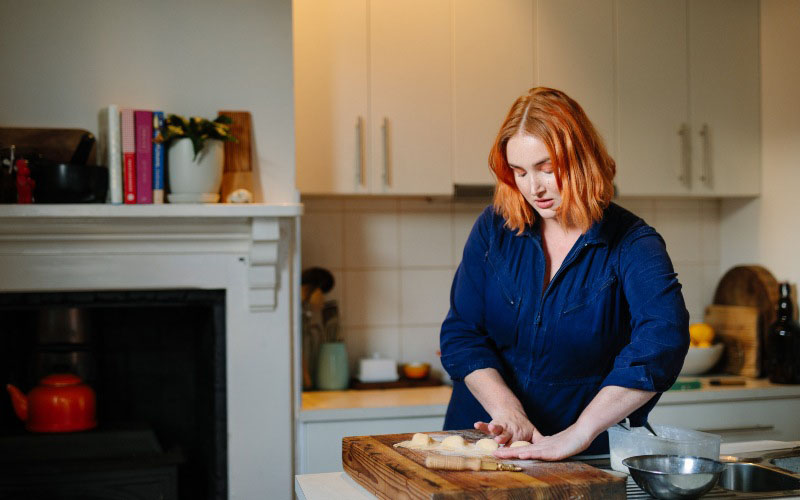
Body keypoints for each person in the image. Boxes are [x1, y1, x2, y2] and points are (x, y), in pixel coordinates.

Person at [439, 87, 689, 461]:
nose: (533, 187)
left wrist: (580, 433)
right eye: (520, 172)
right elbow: (462, 333)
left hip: (581, 454)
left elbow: (661, 345)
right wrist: (508, 410)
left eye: (547, 168)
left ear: (582, 159)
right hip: (486, 445)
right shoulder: (495, 229)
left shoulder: (634, 244)